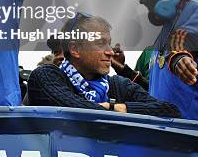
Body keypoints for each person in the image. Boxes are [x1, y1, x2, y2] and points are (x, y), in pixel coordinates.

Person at [27, 13, 180, 118]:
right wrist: (119, 109)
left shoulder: (119, 85)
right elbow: (76, 110)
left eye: (109, 43)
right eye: (100, 44)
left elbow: (169, 111)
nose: (110, 52)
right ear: (75, 49)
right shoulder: (45, 76)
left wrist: (116, 107)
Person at [132, 0, 198, 120]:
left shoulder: (197, 7)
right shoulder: (167, 27)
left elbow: (186, 39)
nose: (141, 0)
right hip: (166, 141)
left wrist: (178, 57)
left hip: (191, 143)